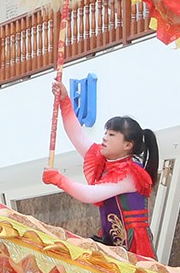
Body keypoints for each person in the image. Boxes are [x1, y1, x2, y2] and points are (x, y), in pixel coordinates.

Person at [41, 82, 159, 257]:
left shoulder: (130, 173)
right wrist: (65, 101)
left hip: (132, 247)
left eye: (111, 135)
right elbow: (77, 135)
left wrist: (58, 179)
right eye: (105, 133)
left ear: (128, 145)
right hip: (110, 242)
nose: (104, 138)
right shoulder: (104, 161)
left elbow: (90, 195)